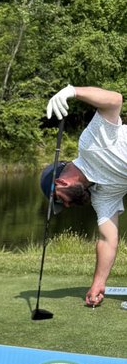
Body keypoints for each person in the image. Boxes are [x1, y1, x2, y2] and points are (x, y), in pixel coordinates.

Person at [45, 84, 127, 307]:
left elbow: (115, 100)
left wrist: (72, 91)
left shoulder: (89, 146)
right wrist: (98, 282)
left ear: (60, 182)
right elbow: (107, 239)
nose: (68, 206)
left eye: (61, 200)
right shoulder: (100, 195)